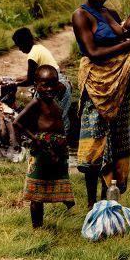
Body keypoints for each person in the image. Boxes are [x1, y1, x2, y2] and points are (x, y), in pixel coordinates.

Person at [72, 0, 130, 209]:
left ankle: (111, 200)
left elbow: (126, 36)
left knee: (115, 142)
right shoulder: (81, 15)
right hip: (97, 87)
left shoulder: (111, 14)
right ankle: (91, 202)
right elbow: (94, 52)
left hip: (119, 88)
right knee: (96, 142)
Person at [13, 65, 75, 228]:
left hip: (57, 151)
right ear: (36, 85)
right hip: (42, 150)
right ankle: (37, 227)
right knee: (36, 193)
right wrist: (35, 139)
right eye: (44, 85)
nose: (49, 89)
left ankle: (65, 200)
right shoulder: (37, 102)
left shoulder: (54, 101)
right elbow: (17, 122)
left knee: (58, 182)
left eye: (53, 84)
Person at [11, 27, 72, 135]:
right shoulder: (39, 48)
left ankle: (47, 141)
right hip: (61, 83)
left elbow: (30, 80)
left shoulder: (32, 55)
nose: (19, 49)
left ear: (25, 42)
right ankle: (58, 142)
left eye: (19, 45)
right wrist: (16, 79)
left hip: (53, 86)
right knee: (61, 117)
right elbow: (33, 76)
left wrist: (13, 84)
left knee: (53, 118)